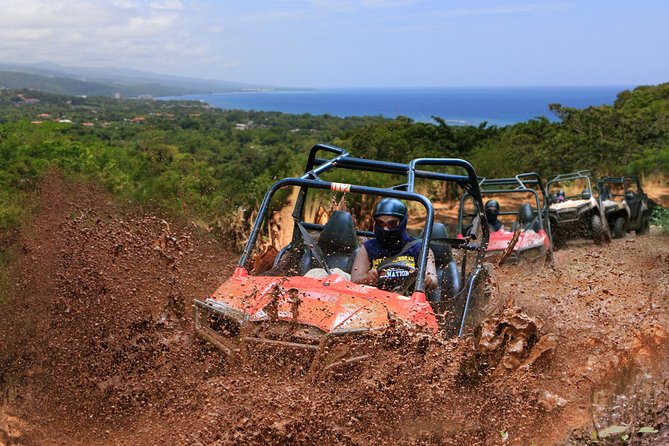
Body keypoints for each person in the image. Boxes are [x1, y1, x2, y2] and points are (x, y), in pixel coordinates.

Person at [351, 198, 438, 292]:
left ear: (402, 222)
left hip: (410, 301)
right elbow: (354, 281)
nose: (386, 229)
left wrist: (426, 280)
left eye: (392, 224)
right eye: (381, 223)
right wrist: (367, 278)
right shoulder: (368, 248)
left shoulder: (419, 248)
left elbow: (433, 280)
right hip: (375, 301)